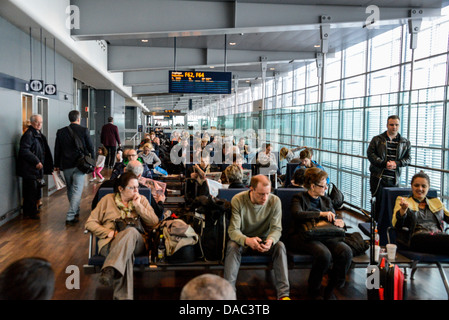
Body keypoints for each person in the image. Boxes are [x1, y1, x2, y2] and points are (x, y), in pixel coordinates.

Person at [85, 172, 159, 300]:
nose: (136, 191)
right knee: (126, 254)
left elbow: (154, 222)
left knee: (130, 231)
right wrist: (109, 233)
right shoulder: (107, 200)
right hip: (110, 243)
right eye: (132, 188)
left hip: (138, 243)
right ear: (121, 188)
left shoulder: (142, 200)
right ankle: (122, 296)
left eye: (137, 187)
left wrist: (139, 207)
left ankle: (109, 268)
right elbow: (90, 223)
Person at [288, 167, 352, 300]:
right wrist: (321, 214)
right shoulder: (299, 198)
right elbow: (297, 214)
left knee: (346, 251)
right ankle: (314, 289)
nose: (326, 188)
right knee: (324, 254)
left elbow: (333, 216)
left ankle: (332, 287)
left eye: (326, 185)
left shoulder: (326, 200)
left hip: (324, 234)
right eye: (323, 186)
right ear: (312, 186)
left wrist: (340, 223)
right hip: (303, 235)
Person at [224, 175, 290, 300]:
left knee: (280, 246)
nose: (265, 198)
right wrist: (247, 240)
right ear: (251, 189)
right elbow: (233, 230)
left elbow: (276, 229)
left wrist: (270, 241)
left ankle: (284, 295)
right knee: (232, 246)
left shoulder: (274, 201)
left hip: (264, 241)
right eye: (261, 194)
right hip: (243, 240)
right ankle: (229, 294)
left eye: (267, 193)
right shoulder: (238, 200)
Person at [392, 171, 449, 255]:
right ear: (411, 186)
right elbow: (397, 225)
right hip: (416, 238)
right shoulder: (403, 200)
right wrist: (403, 209)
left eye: (423, 186)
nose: (420, 189)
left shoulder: (436, 202)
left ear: (428, 188)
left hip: (438, 237)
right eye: (416, 185)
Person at [367, 115, 411, 220]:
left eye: (396, 125)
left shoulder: (405, 142)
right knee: (378, 205)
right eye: (391, 124)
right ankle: (375, 228)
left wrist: (397, 164)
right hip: (379, 178)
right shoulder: (377, 139)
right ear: (387, 125)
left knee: (392, 205)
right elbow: (370, 154)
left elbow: (408, 159)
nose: (394, 127)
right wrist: (384, 163)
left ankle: (388, 230)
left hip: (394, 179)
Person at [54, 110, 94, 226]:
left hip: (66, 165)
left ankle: (75, 210)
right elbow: (90, 147)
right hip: (80, 165)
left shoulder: (61, 132)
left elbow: (57, 150)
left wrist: (56, 165)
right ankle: (70, 216)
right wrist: (93, 162)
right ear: (78, 118)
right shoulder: (84, 130)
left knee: (70, 189)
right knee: (77, 190)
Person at [91, 160, 165, 220]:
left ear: (124, 170)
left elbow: (94, 207)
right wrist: (160, 201)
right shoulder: (144, 191)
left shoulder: (105, 185)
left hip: (107, 225)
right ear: (139, 176)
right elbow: (158, 213)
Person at [17, 114, 54, 219]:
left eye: (41, 122)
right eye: (37, 122)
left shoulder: (38, 134)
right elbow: (24, 150)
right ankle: (30, 212)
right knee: (30, 191)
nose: (39, 124)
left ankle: (33, 210)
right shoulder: (29, 135)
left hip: (36, 169)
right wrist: (36, 161)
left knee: (35, 190)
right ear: (31, 122)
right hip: (30, 169)